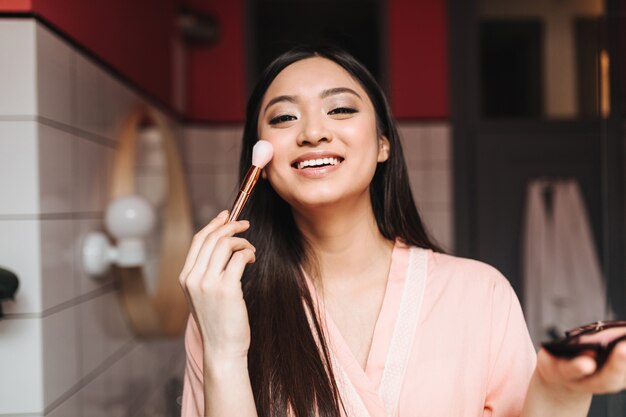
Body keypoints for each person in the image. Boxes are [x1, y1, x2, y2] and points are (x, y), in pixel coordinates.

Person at [179, 45, 626, 417]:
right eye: (283, 119)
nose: (313, 132)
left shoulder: (480, 294)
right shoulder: (224, 310)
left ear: (381, 144)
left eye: (339, 109)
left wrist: (557, 389)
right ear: (261, 159)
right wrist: (223, 350)